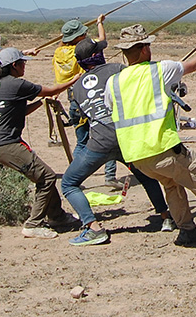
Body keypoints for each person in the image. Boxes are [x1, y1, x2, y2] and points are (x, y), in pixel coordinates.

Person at [107, 25, 196, 247]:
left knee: (171, 186)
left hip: (136, 157)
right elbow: (190, 66)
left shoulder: (113, 82)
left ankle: (187, 231)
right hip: (164, 148)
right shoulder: (160, 70)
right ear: (144, 49)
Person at [59, 33, 175, 246]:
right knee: (147, 176)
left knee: (69, 183)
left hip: (99, 143)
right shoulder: (116, 69)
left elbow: (79, 114)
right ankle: (166, 218)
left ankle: (92, 227)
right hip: (125, 138)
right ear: (97, 56)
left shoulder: (75, 88)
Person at [0, 47, 81, 239]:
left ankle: (57, 216)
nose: (25, 66)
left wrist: (42, 103)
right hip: (7, 145)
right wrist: (75, 79)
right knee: (46, 177)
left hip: (0, 144)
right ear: (14, 66)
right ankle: (33, 224)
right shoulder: (16, 84)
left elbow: (17, 112)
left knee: (43, 175)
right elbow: (53, 89)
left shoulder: (0, 85)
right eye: (22, 63)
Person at [54, 17, 120, 189]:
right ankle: (109, 176)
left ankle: (76, 172)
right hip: (92, 95)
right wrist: (100, 23)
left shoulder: (58, 53)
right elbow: (103, 40)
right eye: (82, 33)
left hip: (73, 99)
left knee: (81, 140)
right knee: (107, 134)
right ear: (77, 38)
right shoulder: (81, 51)